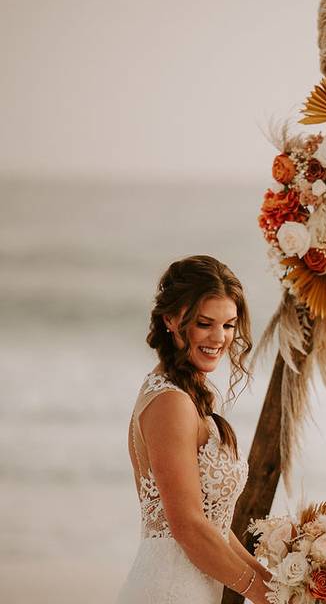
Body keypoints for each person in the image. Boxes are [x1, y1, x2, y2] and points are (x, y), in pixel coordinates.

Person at [116, 255, 272, 604]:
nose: (220, 337)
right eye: (205, 323)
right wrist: (261, 593)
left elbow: (212, 525)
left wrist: (280, 586)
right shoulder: (170, 402)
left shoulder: (185, 394)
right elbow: (187, 527)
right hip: (168, 591)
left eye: (229, 325)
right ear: (170, 319)